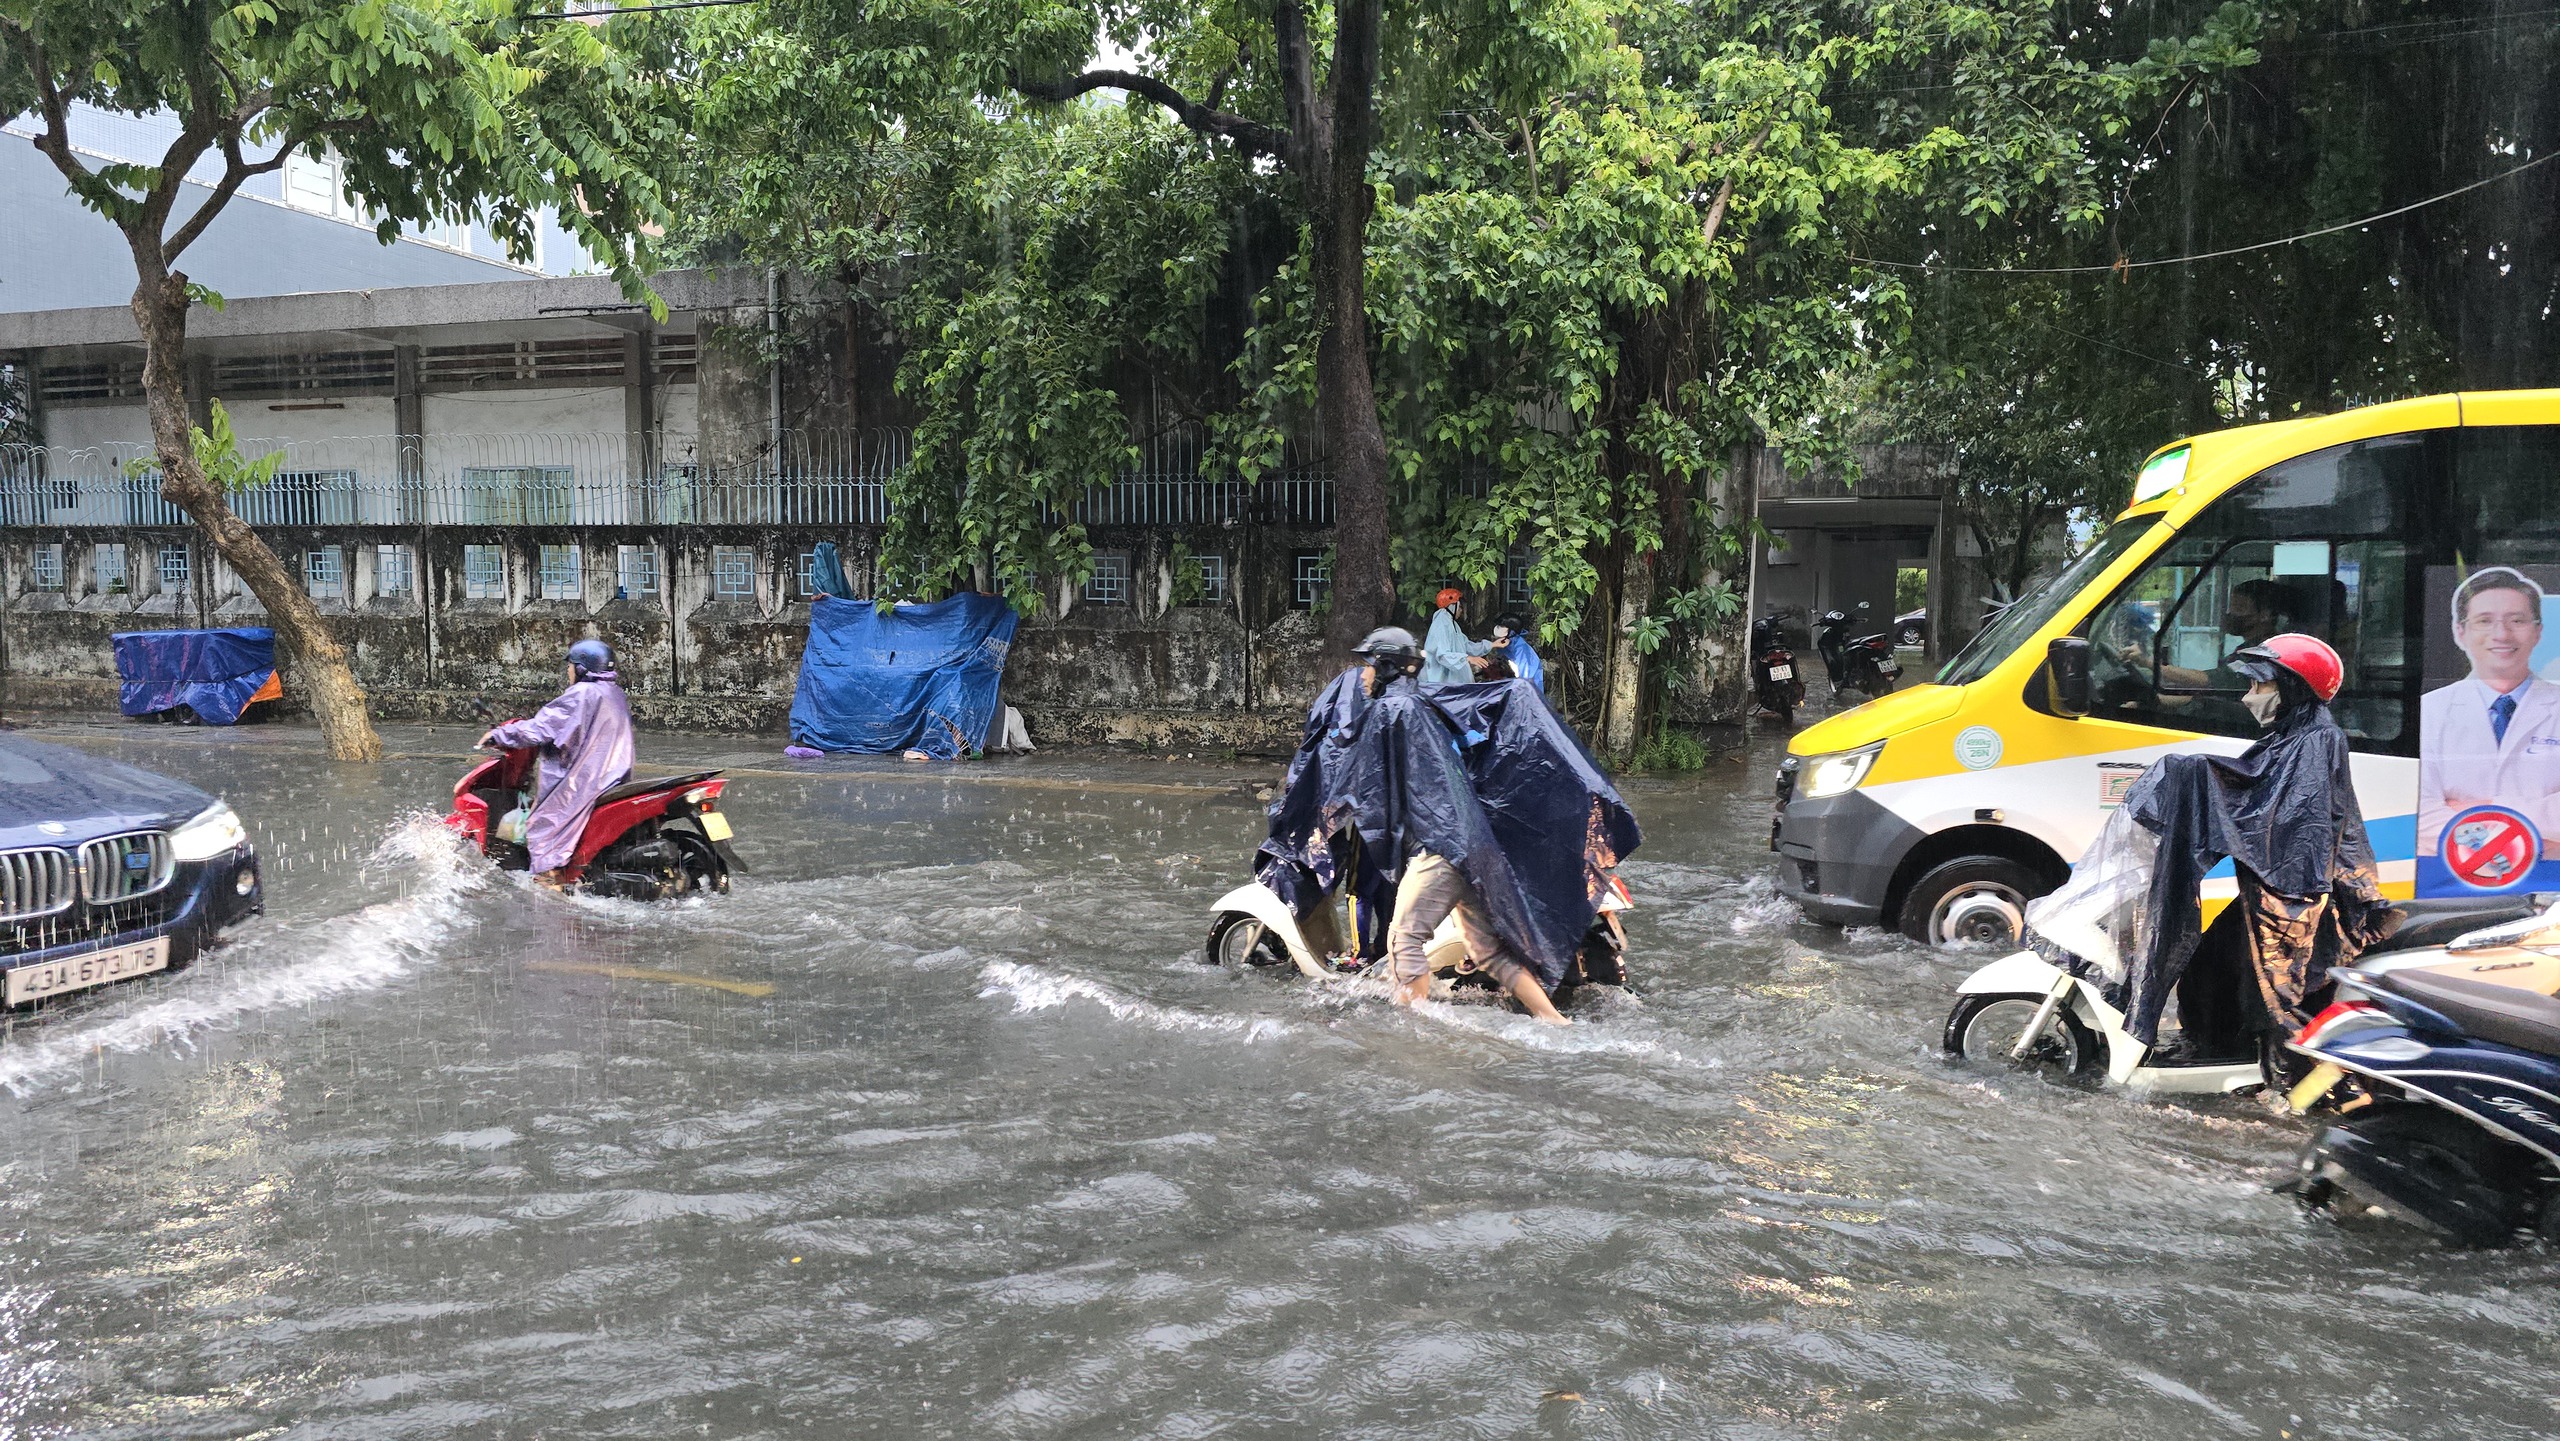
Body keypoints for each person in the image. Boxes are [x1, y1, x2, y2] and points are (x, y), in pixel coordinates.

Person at [2110, 633, 2392, 1063]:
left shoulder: (2317, 740)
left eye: (2259, 686)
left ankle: (2277, 1077)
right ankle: (2211, 1050)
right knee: (2207, 963)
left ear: (2292, 688)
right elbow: (2257, 785)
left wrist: (2199, 777)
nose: (2249, 698)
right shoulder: (2293, 734)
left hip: (2298, 901)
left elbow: (2283, 818)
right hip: (2277, 890)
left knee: (2266, 992)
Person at [2418, 566, 2560, 858]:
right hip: (2444, 882)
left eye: (2517, 620)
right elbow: (2419, 813)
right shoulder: (2430, 711)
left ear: (2538, 631)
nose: (2502, 634)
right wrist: (2529, 837)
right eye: (2484, 621)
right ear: (2461, 632)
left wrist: (2489, 807)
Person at [478, 639, 636, 888]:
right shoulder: (613, 693)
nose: (568, 671)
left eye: (571, 666)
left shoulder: (581, 694)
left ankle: (550, 881)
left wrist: (499, 735)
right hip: (612, 776)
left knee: (544, 825)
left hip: (585, 781)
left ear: (583, 668)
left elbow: (541, 727)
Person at [1420, 587, 1491, 686]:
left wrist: (1492, 645)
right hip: (1439, 683)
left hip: (1451, 683)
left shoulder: (1452, 624)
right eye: (1460, 607)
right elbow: (1443, 655)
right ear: (1452, 606)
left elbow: (1466, 645)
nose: (1461, 610)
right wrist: (1467, 659)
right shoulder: (1441, 624)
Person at [1492, 615, 1545, 693]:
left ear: (1512, 631)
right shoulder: (1506, 643)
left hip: (1528, 691)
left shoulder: (1521, 649)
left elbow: (1525, 679)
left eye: (1502, 626)